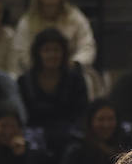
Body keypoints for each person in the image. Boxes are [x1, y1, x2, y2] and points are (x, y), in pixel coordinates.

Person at [12, 0, 98, 93]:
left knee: (86, 81)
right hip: (36, 71)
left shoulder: (76, 17)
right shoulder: (26, 21)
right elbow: (21, 51)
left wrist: (74, 63)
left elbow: (87, 46)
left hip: (71, 70)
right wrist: (43, 67)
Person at [17, 28, 88, 156]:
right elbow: (23, 117)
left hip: (69, 137)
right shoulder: (25, 81)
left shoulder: (75, 78)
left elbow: (82, 112)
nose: (52, 55)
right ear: (38, 53)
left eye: (56, 50)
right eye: (47, 50)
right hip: (34, 137)